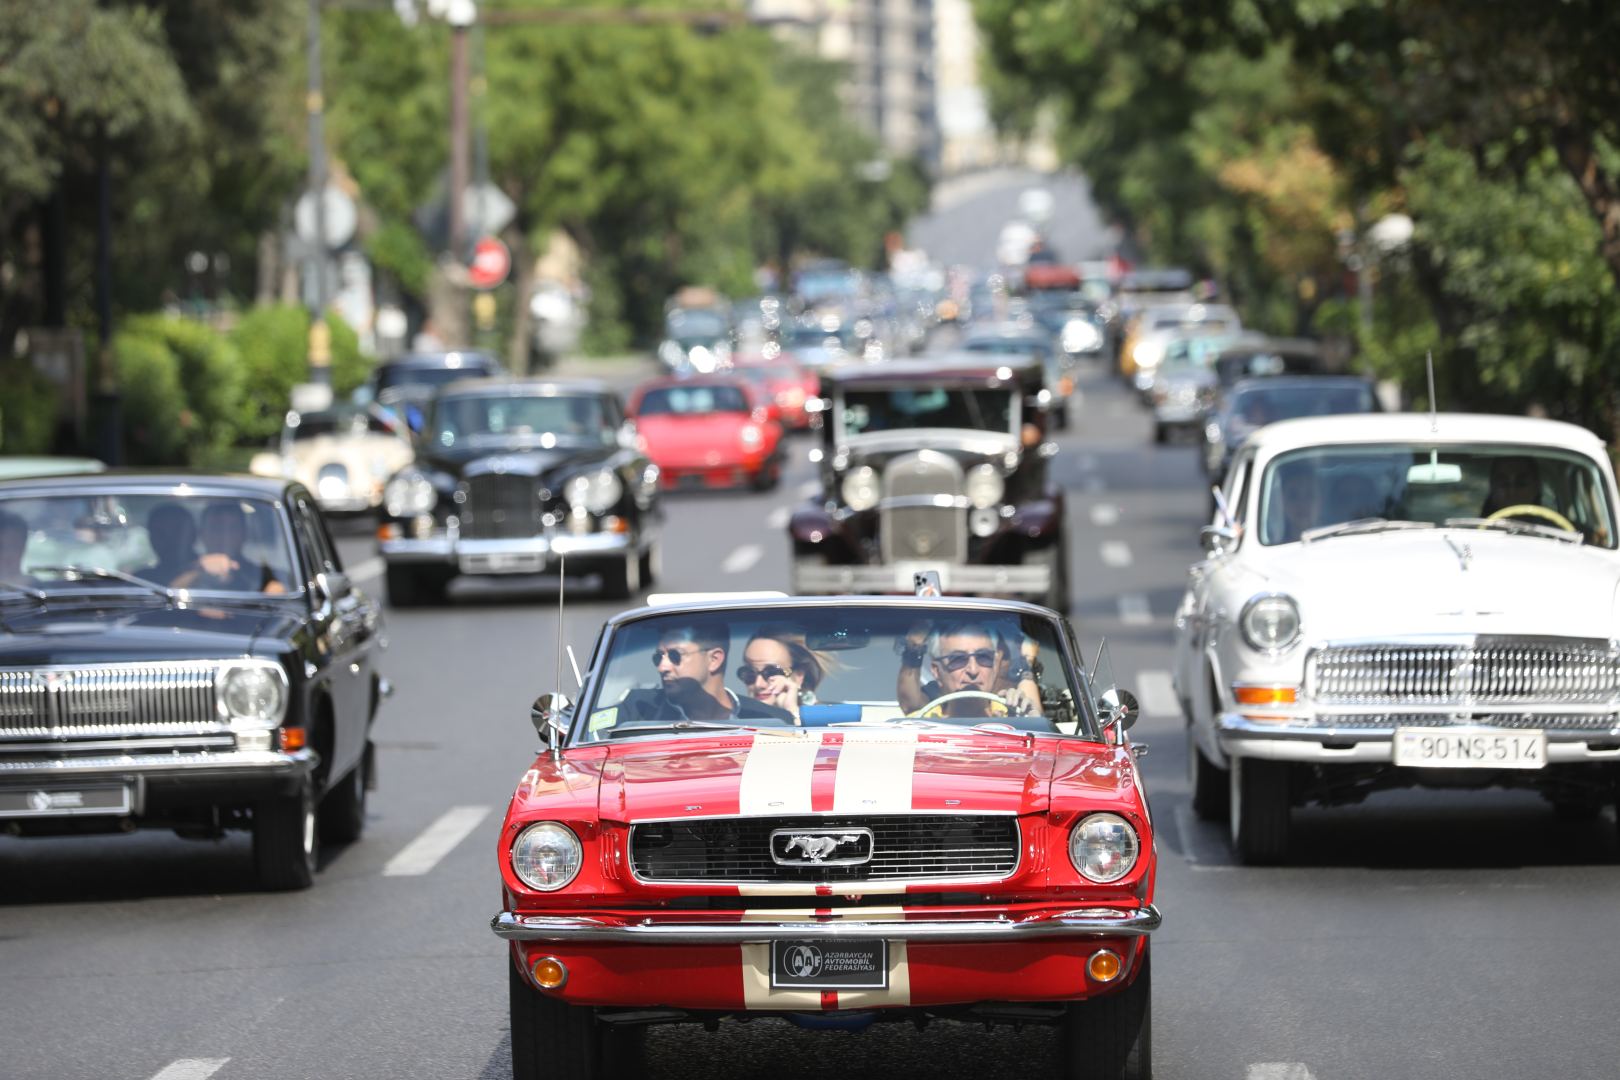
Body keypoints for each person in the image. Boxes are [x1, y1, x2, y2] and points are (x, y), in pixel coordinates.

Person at [617, 620, 795, 724]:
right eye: (658, 657)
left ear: (714, 660)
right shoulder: (636, 709)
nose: (662, 667)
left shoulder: (772, 719)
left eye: (675, 656)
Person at [896, 620, 1041, 718]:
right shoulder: (920, 723)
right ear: (936, 671)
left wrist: (1027, 724)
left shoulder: (1015, 714)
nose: (973, 670)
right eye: (958, 659)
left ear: (996, 665)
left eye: (984, 657)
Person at [169, 501, 286, 594]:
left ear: (244, 534)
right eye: (217, 528)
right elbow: (167, 596)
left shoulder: (261, 575)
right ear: (202, 534)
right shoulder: (183, 569)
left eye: (233, 528)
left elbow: (283, 596)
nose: (225, 536)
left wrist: (274, 591)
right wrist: (199, 570)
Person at [736, 626, 836, 723]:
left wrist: (791, 712)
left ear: (799, 676)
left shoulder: (828, 722)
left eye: (771, 672)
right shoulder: (731, 723)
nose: (758, 684)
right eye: (749, 673)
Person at [137, 503, 197, 586]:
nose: (169, 539)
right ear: (151, 538)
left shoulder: (214, 574)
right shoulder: (140, 581)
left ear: (193, 534)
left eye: (176, 532)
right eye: (160, 533)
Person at [1272, 463, 1320, 542]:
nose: (1302, 504)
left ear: (1320, 501)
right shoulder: (1270, 548)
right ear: (1283, 503)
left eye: (1309, 495)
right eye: (1293, 496)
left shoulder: (1336, 544)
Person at [0, 509, 34, 587]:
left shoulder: (40, 591)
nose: (7, 555)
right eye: (0, 547)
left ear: (23, 548)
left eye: (14, 547)